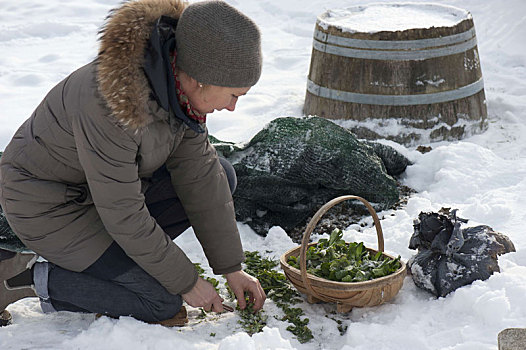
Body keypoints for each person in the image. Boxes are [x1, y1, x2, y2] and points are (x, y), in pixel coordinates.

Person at [0, 0, 266, 326]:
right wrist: (187, 282)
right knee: (162, 302)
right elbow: (125, 216)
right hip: (49, 206)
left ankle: (114, 268)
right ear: (201, 80)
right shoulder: (111, 104)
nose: (233, 108)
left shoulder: (178, 92)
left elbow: (200, 175)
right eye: (234, 95)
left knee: (221, 175)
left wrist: (231, 268)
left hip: (103, 197)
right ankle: (25, 277)